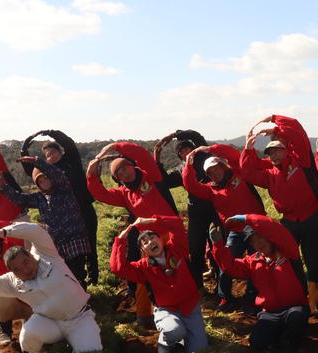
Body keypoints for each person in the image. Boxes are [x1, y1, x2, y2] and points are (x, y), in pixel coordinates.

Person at [0, 222, 102, 353]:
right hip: (50, 322)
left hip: (79, 318)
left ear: (30, 255)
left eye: (25, 262)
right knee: (28, 334)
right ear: (12, 272)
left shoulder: (47, 255)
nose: (25, 270)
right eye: (17, 269)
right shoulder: (12, 281)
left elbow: (34, 231)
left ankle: (77, 342)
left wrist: (3, 231)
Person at [240, 115, 318, 314]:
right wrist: (247, 149)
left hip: (311, 216)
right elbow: (246, 173)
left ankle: (313, 300)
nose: (274, 156)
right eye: (270, 153)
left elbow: (297, 136)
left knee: (314, 259)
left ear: (285, 150)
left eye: (277, 150)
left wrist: (275, 125)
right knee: (290, 259)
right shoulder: (269, 175)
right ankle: (298, 297)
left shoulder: (301, 162)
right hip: (289, 222)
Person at [87, 141, 179, 329]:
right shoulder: (124, 194)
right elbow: (101, 194)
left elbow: (142, 155)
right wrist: (91, 175)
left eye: (125, 168)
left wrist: (116, 147)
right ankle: (145, 315)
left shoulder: (151, 176)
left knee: (177, 272)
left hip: (171, 235)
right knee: (147, 277)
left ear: (132, 166)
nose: (124, 173)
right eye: (118, 173)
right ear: (117, 179)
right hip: (150, 240)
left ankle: (180, 308)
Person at [110, 215, 208, 353]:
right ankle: (166, 344)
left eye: (152, 237)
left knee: (199, 351)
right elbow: (118, 268)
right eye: (144, 242)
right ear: (143, 250)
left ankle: (182, 337)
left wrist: (152, 220)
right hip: (167, 311)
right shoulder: (143, 267)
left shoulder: (178, 249)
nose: (150, 242)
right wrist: (122, 237)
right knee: (174, 331)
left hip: (191, 308)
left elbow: (177, 224)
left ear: (161, 239)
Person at [212, 214, 309, 353]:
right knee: (256, 342)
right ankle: (279, 339)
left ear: (269, 236)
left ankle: (287, 344)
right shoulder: (253, 261)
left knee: (296, 319)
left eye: (260, 237)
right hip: (270, 312)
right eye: (253, 241)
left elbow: (276, 228)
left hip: (294, 307)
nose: (258, 243)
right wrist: (218, 244)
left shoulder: (288, 251)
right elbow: (230, 267)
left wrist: (247, 218)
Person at [183, 144, 264, 309]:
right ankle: (225, 297)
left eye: (216, 168)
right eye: (210, 172)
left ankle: (252, 297)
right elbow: (190, 185)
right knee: (225, 263)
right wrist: (188, 165)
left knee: (258, 263)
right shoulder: (210, 190)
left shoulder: (238, 174)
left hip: (255, 227)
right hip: (234, 231)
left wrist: (210, 148)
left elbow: (234, 156)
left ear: (222, 165)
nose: (215, 173)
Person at [0, 156, 91, 286]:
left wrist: (37, 161)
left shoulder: (64, 190)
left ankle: (81, 294)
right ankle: (71, 291)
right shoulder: (39, 198)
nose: (43, 181)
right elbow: (21, 199)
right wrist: (4, 188)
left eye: (45, 177)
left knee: (77, 271)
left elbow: (58, 175)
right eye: (39, 181)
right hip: (56, 242)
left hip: (74, 239)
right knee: (64, 271)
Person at [21, 130, 99, 284]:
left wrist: (52, 133)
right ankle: (77, 277)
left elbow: (69, 144)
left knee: (90, 243)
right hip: (68, 217)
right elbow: (31, 169)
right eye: (48, 155)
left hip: (84, 209)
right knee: (74, 250)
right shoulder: (47, 172)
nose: (51, 156)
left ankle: (93, 276)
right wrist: (24, 150)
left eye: (53, 152)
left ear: (60, 151)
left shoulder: (72, 161)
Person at [153, 129, 220, 290]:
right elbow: (166, 181)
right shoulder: (181, 169)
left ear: (192, 148)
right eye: (181, 152)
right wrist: (157, 157)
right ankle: (198, 286)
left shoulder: (204, 157)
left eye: (186, 149)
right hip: (195, 210)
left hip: (213, 207)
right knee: (195, 248)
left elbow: (197, 137)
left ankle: (221, 284)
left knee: (218, 245)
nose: (184, 152)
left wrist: (176, 135)